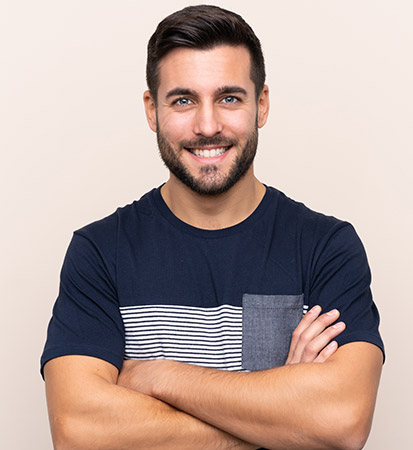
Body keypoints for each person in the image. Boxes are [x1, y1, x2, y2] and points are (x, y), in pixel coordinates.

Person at [41, 5, 384, 449]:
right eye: (183, 100)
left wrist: (161, 377)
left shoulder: (327, 247)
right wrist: (281, 419)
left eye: (229, 98)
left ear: (261, 104)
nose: (207, 126)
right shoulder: (100, 251)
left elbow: (341, 420)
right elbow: (78, 431)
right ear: (152, 110)